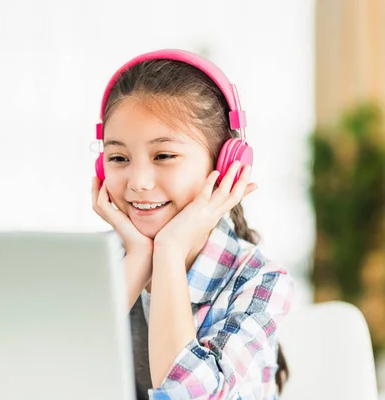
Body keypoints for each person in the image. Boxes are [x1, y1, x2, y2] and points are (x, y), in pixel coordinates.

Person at [90, 49, 295, 399]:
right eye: (119, 157)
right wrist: (137, 260)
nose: (138, 181)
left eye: (164, 156)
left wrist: (168, 253)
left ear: (228, 165)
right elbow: (42, 380)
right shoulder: (98, 262)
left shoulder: (261, 281)